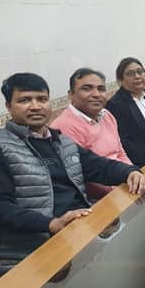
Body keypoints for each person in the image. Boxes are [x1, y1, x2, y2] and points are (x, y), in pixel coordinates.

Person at [0, 73, 145, 260]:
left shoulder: (60, 141)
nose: (35, 106)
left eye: (42, 99)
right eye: (24, 100)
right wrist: (51, 224)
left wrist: (130, 172)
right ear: (8, 106)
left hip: (78, 231)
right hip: (34, 248)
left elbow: (100, 167)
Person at [51, 68, 132, 199]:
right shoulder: (63, 126)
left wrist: (132, 174)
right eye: (87, 89)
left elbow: (120, 152)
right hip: (100, 198)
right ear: (71, 94)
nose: (96, 94)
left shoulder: (106, 115)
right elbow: (83, 175)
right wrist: (119, 190)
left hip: (122, 182)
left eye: (101, 89)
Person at [106, 57, 145, 168]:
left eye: (140, 72)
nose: (137, 76)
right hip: (142, 160)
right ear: (121, 80)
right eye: (130, 74)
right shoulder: (116, 104)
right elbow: (123, 141)